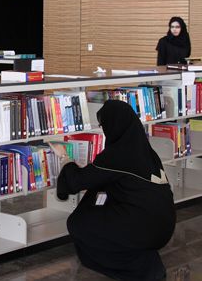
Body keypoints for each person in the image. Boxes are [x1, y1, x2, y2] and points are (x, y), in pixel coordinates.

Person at [52, 100, 175, 280]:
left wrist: (64, 157)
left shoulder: (117, 155)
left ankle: (143, 270)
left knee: (78, 223)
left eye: (104, 126)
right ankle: (146, 262)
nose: (104, 131)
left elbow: (77, 181)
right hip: (164, 226)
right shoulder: (147, 152)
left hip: (144, 229)